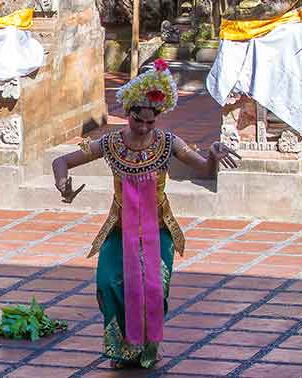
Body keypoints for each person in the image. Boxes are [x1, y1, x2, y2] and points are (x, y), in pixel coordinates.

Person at [51, 59, 239, 368]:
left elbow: (203, 167)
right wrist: (63, 185)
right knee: (110, 283)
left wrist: (213, 158)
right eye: (139, 121)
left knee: (154, 287)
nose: (144, 128)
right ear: (128, 115)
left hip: (157, 229)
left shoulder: (168, 143)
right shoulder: (110, 143)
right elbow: (62, 161)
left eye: (151, 123)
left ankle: (151, 347)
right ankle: (122, 349)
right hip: (120, 228)